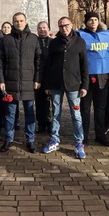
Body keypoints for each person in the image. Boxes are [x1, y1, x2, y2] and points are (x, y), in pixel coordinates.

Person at [42, 17, 89, 159]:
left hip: (74, 84)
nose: (64, 28)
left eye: (66, 25)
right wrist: (47, 84)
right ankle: (55, 139)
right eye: (61, 26)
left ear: (71, 25)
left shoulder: (80, 42)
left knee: (76, 115)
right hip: (56, 84)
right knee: (56, 113)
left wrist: (85, 85)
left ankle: (79, 142)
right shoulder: (54, 43)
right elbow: (48, 65)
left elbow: (84, 65)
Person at [0, 12, 42, 153]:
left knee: (29, 113)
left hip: (28, 82)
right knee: (10, 113)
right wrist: (1, 80)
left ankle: (30, 140)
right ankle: (8, 139)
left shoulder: (33, 39)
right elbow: (0, 62)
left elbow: (39, 61)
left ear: (26, 21)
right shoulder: (6, 40)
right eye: (16, 21)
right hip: (10, 82)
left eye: (21, 21)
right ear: (13, 23)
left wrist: (38, 79)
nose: (19, 23)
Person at [78, 11, 109, 146]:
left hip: (103, 76)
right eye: (90, 20)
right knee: (85, 108)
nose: (93, 22)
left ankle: (101, 135)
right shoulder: (80, 35)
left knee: (101, 108)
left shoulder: (108, 35)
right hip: (86, 76)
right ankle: (84, 136)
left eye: (95, 19)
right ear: (86, 21)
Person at [34, 21, 52, 133]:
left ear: (48, 29)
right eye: (40, 28)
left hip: (50, 75)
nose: (42, 30)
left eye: (44, 27)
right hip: (37, 76)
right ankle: (41, 123)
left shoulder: (53, 42)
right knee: (39, 101)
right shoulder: (34, 42)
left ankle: (50, 124)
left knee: (51, 102)